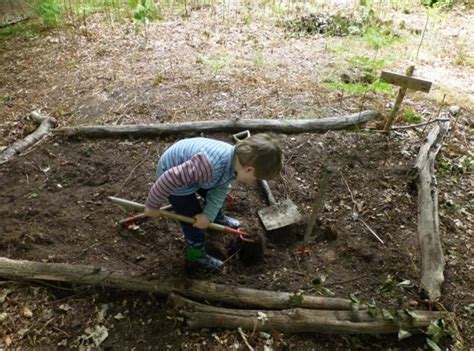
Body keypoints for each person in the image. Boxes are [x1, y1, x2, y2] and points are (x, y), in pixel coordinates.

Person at [144, 134, 283, 270]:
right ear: (249, 169)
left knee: (218, 198)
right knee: (194, 225)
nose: (254, 182)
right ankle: (195, 255)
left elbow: (220, 189)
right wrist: (152, 205)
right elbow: (168, 179)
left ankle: (217, 217)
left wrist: (208, 215)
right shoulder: (210, 166)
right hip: (175, 180)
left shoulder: (234, 162)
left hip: (195, 175)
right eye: (256, 179)